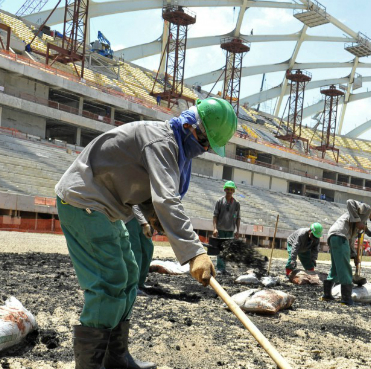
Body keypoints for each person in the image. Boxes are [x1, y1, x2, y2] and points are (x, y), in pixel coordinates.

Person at [54, 97, 236, 369]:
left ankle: (115, 358)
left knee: (128, 273)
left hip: (109, 207)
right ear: (191, 128)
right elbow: (166, 199)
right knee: (110, 282)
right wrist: (194, 252)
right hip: (85, 201)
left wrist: (151, 213)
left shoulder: (172, 145)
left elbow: (144, 187)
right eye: (206, 141)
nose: (206, 149)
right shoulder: (162, 141)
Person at [321, 199, 371, 305]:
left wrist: (355, 256)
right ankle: (346, 299)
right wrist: (357, 221)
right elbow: (349, 202)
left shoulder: (362, 219)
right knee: (345, 267)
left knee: (336, 268)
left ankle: (327, 295)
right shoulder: (367, 208)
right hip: (340, 235)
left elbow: (351, 241)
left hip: (334, 236)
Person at [212, 180, 241, 275]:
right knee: (220, 249)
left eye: (231, 189)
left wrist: (238, 230)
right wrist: (215, 228)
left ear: (233, 191)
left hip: (230, 230)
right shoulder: (219, 201)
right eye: (227, 189)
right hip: (220, 229)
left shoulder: (236, 204)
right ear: (225, 190)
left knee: (227, 250)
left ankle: (224, 268)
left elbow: (238, 218)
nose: (229, 191)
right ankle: (220, 268)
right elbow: (215, 215)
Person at [129, 205, 155, 296]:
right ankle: (132, 286)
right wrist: (144, 223)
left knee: (148, 248)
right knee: (135, 250)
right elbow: (134, 203)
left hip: (144, 218)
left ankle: (140, 282)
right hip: (130, 217)